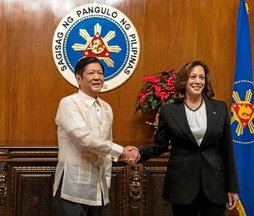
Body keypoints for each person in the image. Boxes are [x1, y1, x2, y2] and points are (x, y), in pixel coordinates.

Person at [138, 60, 239, 216]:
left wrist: (233, 188)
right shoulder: (169, 110)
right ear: (184, 80)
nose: (198, 81)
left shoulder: (219, 108)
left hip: (215, 185)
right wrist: (138, 153)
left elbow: (228, 150)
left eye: (201, 77)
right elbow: (160, 145)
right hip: (182, 186)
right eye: (193, 77)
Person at [53, 57, 140, 216]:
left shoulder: (106, 108)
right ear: (78, 78)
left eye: (100, 73)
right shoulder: (69, 103)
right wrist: (122, 151)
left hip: (99, 189)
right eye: (91, 73)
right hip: (72, 188)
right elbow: (83, 139)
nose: (97, 77)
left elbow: (107, 144)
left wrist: (106, 182)